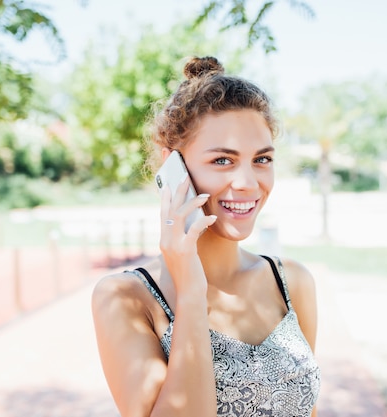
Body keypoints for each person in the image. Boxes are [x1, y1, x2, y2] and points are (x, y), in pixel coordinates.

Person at [92, 56, 320, 417]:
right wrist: (191, 292)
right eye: (223, 161)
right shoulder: (126, 299)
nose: (248, 183)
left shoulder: (292, 282)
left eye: (262, 159)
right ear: (174, 167)